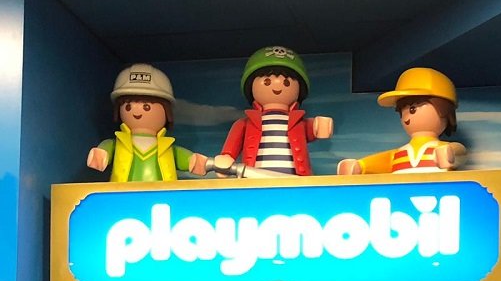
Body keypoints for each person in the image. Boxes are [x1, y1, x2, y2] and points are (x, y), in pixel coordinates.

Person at [207, 46, 333, 176]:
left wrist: (319, 126)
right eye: (267, 82)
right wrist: (227, 157)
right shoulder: (245, 123)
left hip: (295, 180)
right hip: (254, 178)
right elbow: (233, 144)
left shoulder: (300, 122)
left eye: (286, 83)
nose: (277, 85)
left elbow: (314, 128)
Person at [87, 64, 206, 181]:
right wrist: (101, 155)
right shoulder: (117, 143)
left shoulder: (168, 148)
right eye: (128, 107)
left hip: (162, 193)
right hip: (123, 193)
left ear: (166, 111)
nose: (136, 111)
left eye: (146, 107)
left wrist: (207, 163)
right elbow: (105, 151)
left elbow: (191, 161)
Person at [338, 68, 465, 176]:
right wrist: (360, 166)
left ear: (443, 108)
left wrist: (450, 154)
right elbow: (384, 160)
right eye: (402, 111)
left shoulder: (442, 147)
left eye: (412, 109)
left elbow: (459, 152)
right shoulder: (399, 153)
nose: (406, 117)